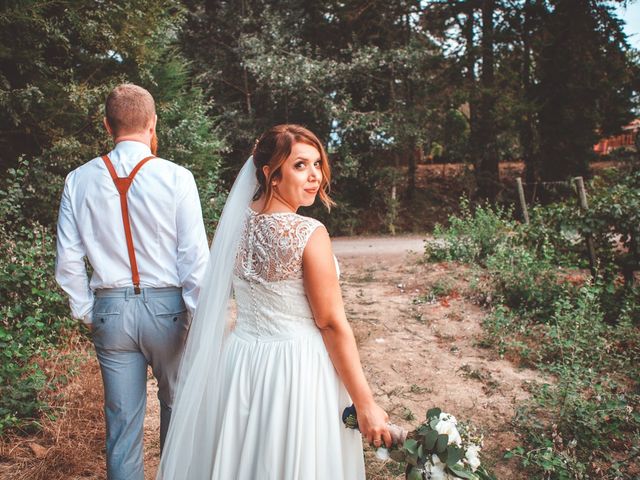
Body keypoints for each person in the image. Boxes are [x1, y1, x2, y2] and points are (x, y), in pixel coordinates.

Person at [158, 124, 391, 479]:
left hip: (242, 359)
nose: (314, 176)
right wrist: (366, 404)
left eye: (317, 164)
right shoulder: (308, 233)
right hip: (296, 366)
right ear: (271, 174)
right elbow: (329, 322)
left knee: (246, 461)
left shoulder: (237, 223)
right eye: (300, 165)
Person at [55, 84, 209, 480]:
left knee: (122, 427)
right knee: (178, 410)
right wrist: (197, 316)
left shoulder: (78, 180)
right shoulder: (177, 177)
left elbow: (68, 261)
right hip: (169, 311)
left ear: (108, 125)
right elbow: (194, 258)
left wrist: (87, 311)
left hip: (109, 310)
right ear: (153, 122)